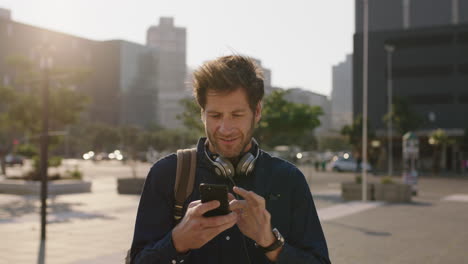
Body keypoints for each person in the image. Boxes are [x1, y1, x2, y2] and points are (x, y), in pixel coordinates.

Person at [129, 55, 330, 264]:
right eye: (215, 115)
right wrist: (177, 241)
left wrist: (271, 243)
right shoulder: (167, 174)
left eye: (237, 115)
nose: (225, 129)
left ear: (257, 111)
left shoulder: (288, 179)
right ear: (202, 113)